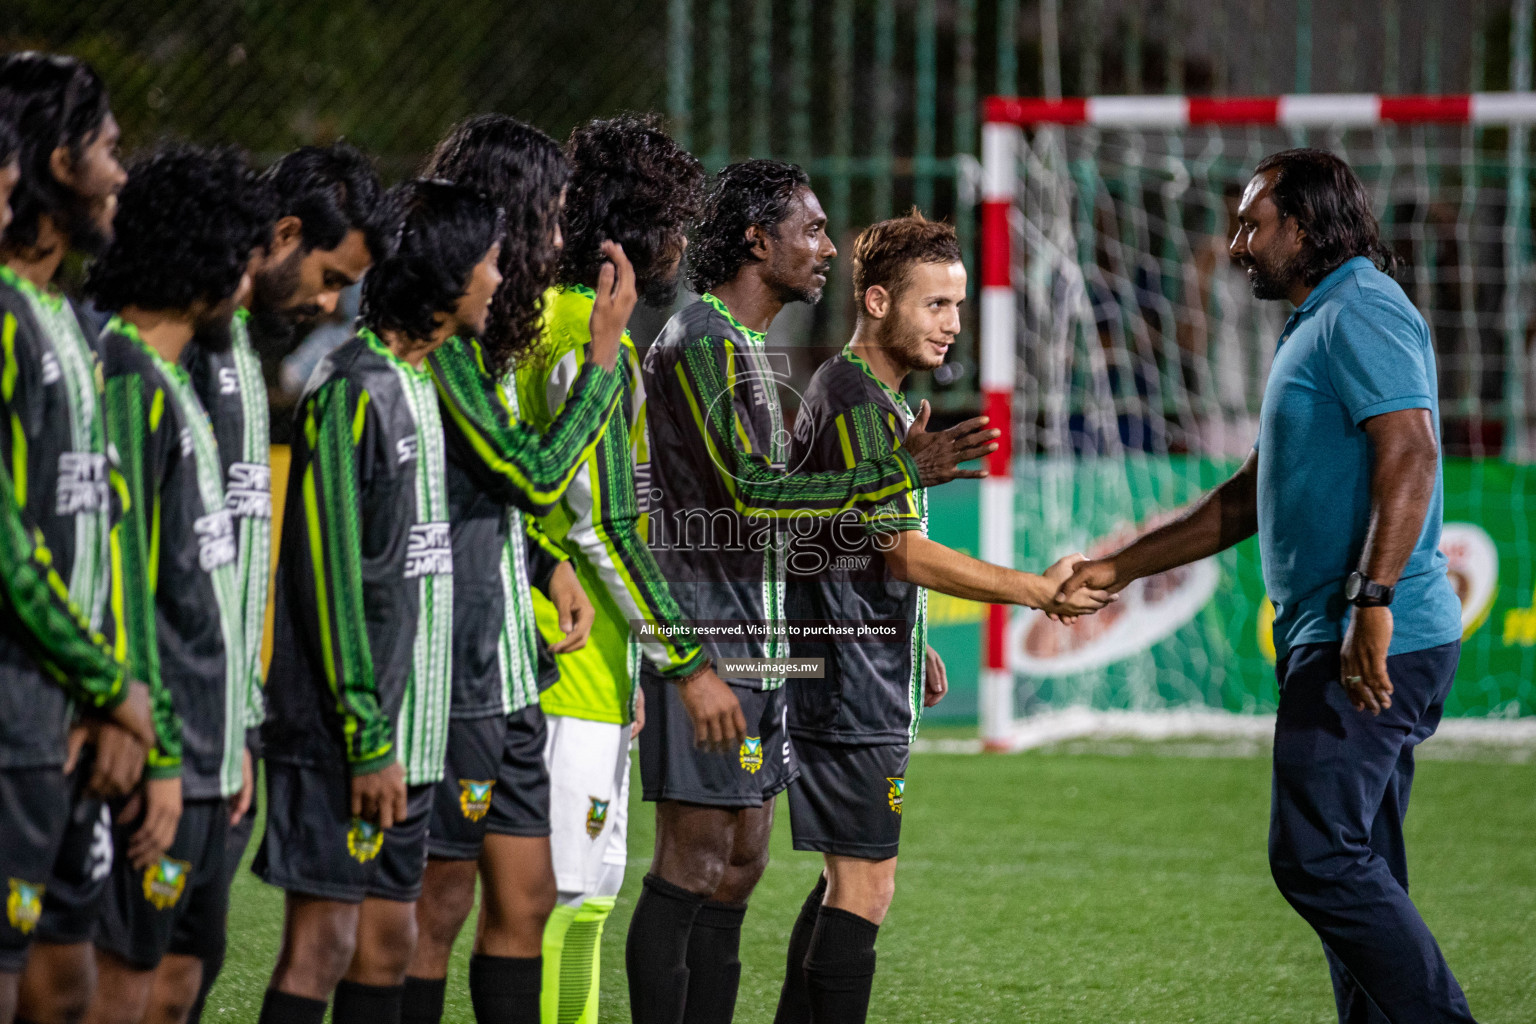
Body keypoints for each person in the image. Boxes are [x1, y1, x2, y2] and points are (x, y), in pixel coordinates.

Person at [1058, 149, 1476, 1024]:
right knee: (1358, 865)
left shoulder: (1360, 308)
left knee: (1317, 859)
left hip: (1363, 632)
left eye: (1254, 224)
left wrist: (1371, 601)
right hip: (1337, 628)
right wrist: (1120, 567)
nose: (1238, 243)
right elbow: (1252, 494)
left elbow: (1413, 453)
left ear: (1308, 225)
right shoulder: (1316, 320)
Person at [628, 160, 1000, 1024]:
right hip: (707, 639)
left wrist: (900, 634)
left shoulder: (750, 351)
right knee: (691, 860)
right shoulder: (702, 340)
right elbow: (754, 494)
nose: (828, 248)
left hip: (763, 646)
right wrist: (892, 470)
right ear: (759, 241)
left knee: (743, 858)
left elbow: (790, 525)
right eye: (813, 230)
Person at [770, 212, 1112, 1023]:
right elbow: (904, 552)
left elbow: (845, 541)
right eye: (935, 306)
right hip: (845, 685)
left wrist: (909, 635)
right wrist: (1036, 589)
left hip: (857, 666)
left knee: (844, 885)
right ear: (880, 301)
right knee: (865, 886)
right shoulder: (858, 402)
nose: (953, 324)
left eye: (958, 306)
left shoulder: (870, 399)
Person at [399, 114, 631, 1024]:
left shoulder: (487, 344)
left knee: (526, 899)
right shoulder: (443, 353)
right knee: (437, 906)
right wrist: (604, 366)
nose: (561, 234)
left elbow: (497, 489)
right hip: (453, 663)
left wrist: (543, 565)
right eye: (553, 211)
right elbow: (529, 472)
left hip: (510, 665)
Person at [252, 180, 503, 1024]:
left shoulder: (420, 383)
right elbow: (325, 581)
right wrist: (365, 736)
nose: (501, 281)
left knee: (389, 944)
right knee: (320, 945)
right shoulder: (350, 390)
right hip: (348, 738)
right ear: (446, 272)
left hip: (413, 735)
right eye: (491, 263)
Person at [157, 140, 387, 1024]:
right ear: (283, 232)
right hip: (165, 724)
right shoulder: (177, 349)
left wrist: (239, 722)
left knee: (186, 968)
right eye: (329, 277)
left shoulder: (253, 356)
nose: (332, 305)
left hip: (227, 725)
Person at [513, 114, 719, 1024]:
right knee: (562, 906)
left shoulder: (571, 328)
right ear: (632, 236)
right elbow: (597, 525)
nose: (682, 244)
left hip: (595, 672)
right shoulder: (582, 340)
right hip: (564, 669)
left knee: (583, 902)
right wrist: (684, 659)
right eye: (672, 221)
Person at [77, 145, 270, 1024]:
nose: (251, 275)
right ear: (206, 261)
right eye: (242, 254)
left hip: (204, 751)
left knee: (182, 980)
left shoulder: (176, 381)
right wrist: (157, 750)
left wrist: (226, 740)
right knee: (120, 985)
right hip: (160, 751)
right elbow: (123, 578)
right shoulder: (123, 379)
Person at [0, 52, 155, 1024]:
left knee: (67, 986)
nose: (120, 174)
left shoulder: (75, 325)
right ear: (57, 165)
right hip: (19, 716)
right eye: (106, 150)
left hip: (77, 719)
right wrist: (109, 683)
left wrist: (109, 700)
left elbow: (101, 541)